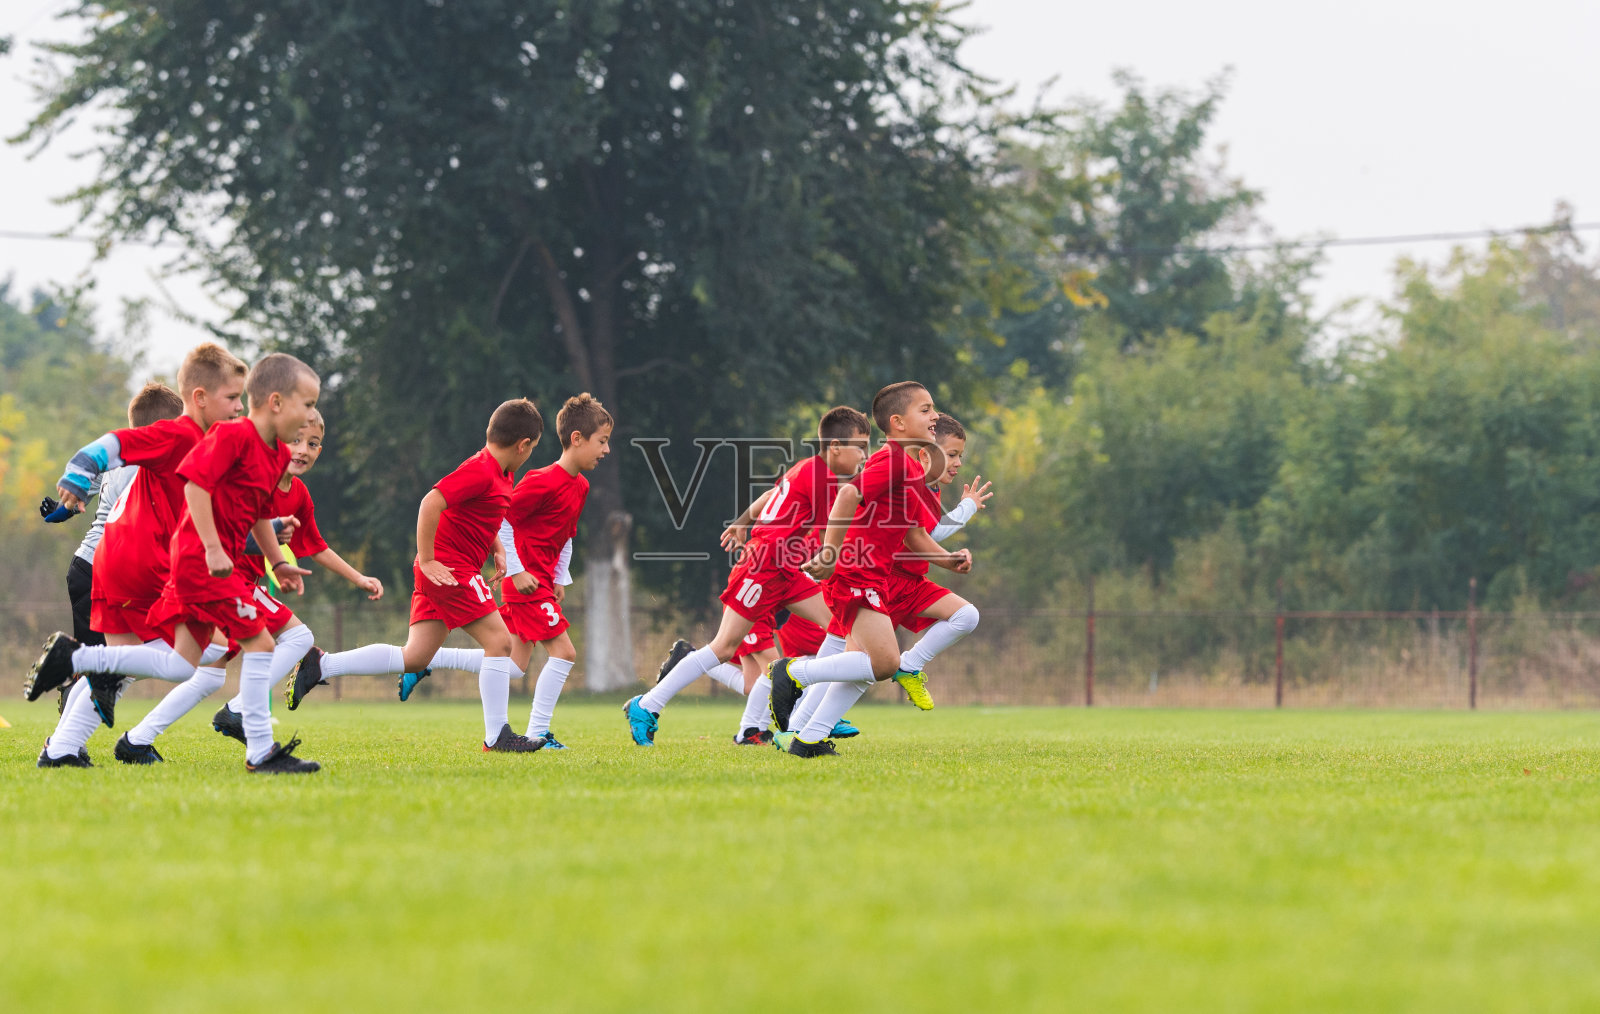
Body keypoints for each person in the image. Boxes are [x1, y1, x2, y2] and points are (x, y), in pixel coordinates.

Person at [31, 352, 322, 773]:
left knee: (162, 665)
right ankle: (259, 751)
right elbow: (118, 446)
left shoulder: (242, 446)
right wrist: (78, 473)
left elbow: (238, 509)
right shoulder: (184, 436)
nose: (239, 406)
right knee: (248, 646)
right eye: (231, 397)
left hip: (138, 563)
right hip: (150, 565)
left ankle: (62, 742)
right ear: (201, 398)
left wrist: (274, 554)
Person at [289, 399, 546, 753]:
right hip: (449, 570)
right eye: (532, 449)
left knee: (415, 657)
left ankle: (322, 664)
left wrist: (496, 548)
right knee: (501, 643)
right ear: (524, 445)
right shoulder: (481, 468)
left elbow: (480, 514)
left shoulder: (502, 473)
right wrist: (427, 560)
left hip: (449, 569)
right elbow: (432, 502)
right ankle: (497, 735)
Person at [624, 406, 870, 746]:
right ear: (836, 447)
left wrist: (742, 520)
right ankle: (647, 705)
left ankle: (818, 712)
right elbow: (839, 525)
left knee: (840, 627)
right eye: (860, 446)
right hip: (762, 566)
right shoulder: (822, 479)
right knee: (723, 648)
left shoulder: (809, 470)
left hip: (785, 568)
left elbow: (773, 497)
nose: (864, 455)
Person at [767, 382, 972, 758]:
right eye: (925, 410)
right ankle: (795, 673)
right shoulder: (893, 459)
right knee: (885, 664)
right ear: (897, 423)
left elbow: (911, 534)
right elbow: (848, 494)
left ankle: (808, 739)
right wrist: (829, 553)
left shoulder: (907, 466)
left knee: (869, 667)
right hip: (855, 572)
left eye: (933, 409)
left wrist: (947, 560)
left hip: (869, 575)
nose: (935, 416)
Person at [204, 408, 385, 740]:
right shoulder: (254, 479)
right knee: (299, 638)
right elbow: (224, 531)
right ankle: (238, 710)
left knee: (200, 662)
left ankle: (119, 679)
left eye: (313, 443)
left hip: (245, 583)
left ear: (320, 451)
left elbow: (316, 546)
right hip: (229, 580)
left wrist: (358, 578)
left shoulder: (299, 494)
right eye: (295, 440)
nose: (303, 449)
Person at [48, 383, 184, 715]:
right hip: (108, 569)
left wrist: (58, 510)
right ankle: (66, 739)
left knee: (116, 665)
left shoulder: (118, 462)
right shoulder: (153, 465)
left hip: (93, 567)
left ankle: (68, 735)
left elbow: (79, 497)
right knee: (105, 669)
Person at [491, 394, 612, 749]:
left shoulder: (581, 485)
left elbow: (567, 536)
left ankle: (426, 661)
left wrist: (560, 577)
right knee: (565, 653)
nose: (606, 451)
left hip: (542, 583)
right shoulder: (541, 480)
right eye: (601, 442)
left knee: (512, 665)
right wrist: (516, 571)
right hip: (526, 586)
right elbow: (501, 521)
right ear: (577, 438)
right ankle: (537, 733)